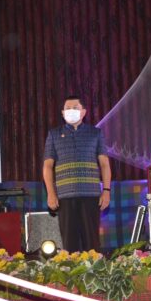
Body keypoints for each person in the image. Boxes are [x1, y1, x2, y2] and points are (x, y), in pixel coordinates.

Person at [43, 96, 111, 252]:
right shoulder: (54, 134)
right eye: (67, 108)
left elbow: (105, 164)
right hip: (65, 196)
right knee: (69, 244)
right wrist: (51, 193)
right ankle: (71, 268)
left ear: (84, 112)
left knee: (92, 244)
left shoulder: (95, 133)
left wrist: (106, 191)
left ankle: (93, 268)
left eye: (75, 108)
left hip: (91, 195)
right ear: (62, 113)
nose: (71, 111)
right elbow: (47, 166)